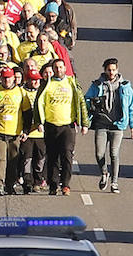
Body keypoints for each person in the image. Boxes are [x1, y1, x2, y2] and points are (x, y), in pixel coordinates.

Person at [34, 58, 87, 196]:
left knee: (67, 155)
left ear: (65, 68)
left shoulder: (71, 82)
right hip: (51, 125)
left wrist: (84, 123)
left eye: (61, 67)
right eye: (56, 67)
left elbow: (81, 102)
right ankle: (53, 184)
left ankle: (66, 184)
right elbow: (38, 104)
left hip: (67, 126)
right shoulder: (46, 84)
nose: (59, 70)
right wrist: (39, 122)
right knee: (52, 157)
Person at [85, 58, 133, 194]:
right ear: (104, 70)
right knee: (99, 153)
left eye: (114, 70)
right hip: (101, 123)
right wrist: (90, 107)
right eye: (109, 70)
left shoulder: (125, 86)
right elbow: (86, 100)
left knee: (114, 154)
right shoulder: (97, 85)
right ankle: (104, 173)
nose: (111, 72)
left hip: (118, 124)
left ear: (117, 70)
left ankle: (114, 182)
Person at [0, 66, 31, 196]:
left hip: (15, 133)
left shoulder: (21, 93)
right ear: (0, 78)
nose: (6, 80)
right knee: (0, 159)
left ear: (14, 78)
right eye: (4, 78)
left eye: (9, 78)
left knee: (13, 160)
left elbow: (27, 114)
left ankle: (10, 185)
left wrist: (26, 131)